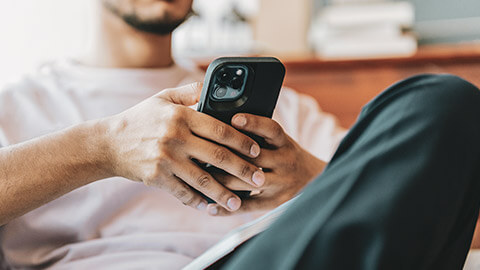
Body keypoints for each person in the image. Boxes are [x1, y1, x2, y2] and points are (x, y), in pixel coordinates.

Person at [0, 0, 345, 268]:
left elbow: (384, 188)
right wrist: (104, 148)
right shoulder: (16, 108)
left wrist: (310, 176)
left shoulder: (282, 110)